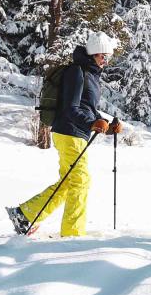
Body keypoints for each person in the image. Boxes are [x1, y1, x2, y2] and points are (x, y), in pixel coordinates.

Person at [7, 32, 120, 237]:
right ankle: (73, 234)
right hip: (69, 132)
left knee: (69, 182)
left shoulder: (91, 75)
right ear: (93, 53)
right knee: (81, 180)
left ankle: (24, 214)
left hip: (75, 132)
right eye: (103, 55)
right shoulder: (77, 72)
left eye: (108, 56)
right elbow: (71, 108)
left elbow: (87, 109)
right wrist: (92, 122)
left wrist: (107, 125)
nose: (106, 60)